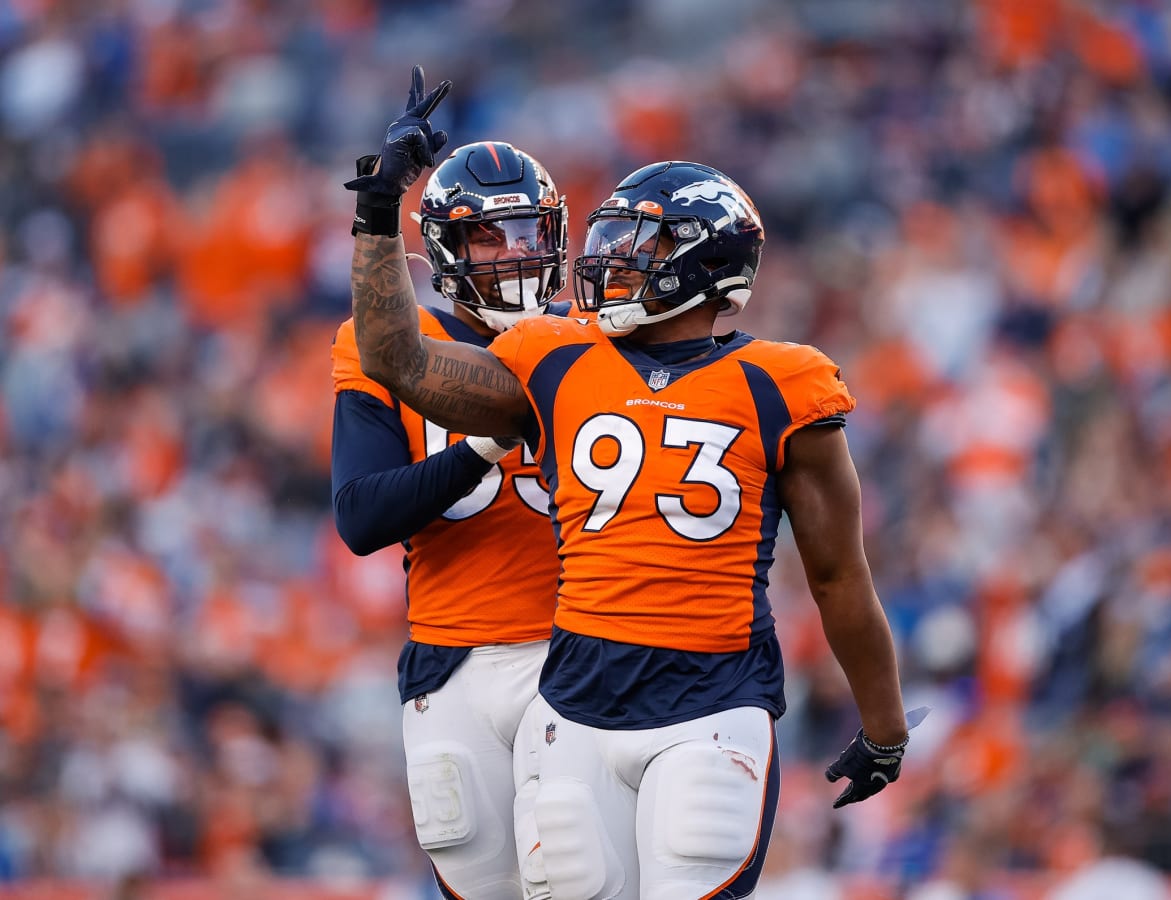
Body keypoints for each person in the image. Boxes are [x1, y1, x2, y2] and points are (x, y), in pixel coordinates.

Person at [348, 66, 911, 899]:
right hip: (573, 697)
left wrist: (885, 726)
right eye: (611, 239)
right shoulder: (555, 358)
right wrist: (375, 214)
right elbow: (399, 361)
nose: (608, 261)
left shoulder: (784, 383)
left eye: (638, 245)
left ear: (705, 262)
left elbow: (838, 577)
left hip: (712, 692)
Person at [333, 125, 572, 897]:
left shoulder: (592, 338)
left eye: (528, 230)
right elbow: (362, 517)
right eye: (486, 237)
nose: (513, 252)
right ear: (444, 251)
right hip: (454, 662)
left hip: (581, 655)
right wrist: (480, 448)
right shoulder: (383, 344)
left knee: (581, 875)